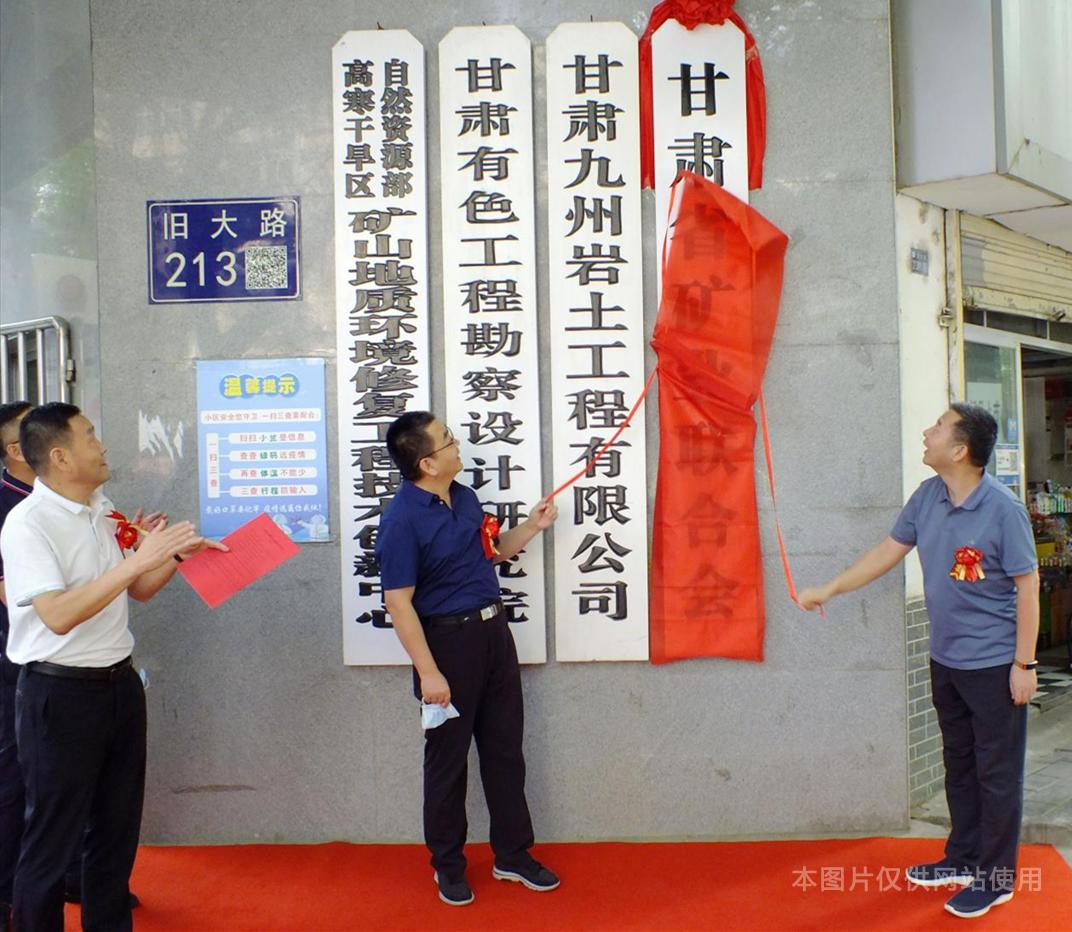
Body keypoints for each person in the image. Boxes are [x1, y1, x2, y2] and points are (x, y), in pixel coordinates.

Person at [798, 404, 1039, 921]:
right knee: (960, 764)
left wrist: (1025, 664)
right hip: (946, 659)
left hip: (995, 665)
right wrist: (830, 588)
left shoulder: (1003, 509)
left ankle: (996, 879)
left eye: (939, 428)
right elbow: (887, 551)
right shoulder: (928, 496)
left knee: (997, 774)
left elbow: (1028, 586)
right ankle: (963, 858)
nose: (927, 433)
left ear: (960, 450)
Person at [0, 402, 226, 932]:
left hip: (119, 686)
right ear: (60, 456)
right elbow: (56, 615)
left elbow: (139, 589)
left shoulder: (102, 510)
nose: (102, 446)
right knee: (51, 839)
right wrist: (139, 559)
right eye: (89, 436)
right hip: (58, 694)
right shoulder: (28, 523)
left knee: (115, 832)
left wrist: (173, 556)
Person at [375, 411, 560, 907]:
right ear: (427, 463)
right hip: (447, 646)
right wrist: (428, 672)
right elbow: (398, 603)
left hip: (494, 634)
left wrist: (533, 526)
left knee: (505, 750)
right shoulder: (401, 521)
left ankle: (513, 855)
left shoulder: (464, 498)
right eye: (448, 441)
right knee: (448, 762)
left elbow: (490, 552)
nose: (457, 445)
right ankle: (448, 866)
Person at [0, 401, 34, 931]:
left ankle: (72, 874)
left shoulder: (76, 500)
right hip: (12, 655)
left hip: (62, 657)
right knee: (12, 776)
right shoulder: (8, 506)